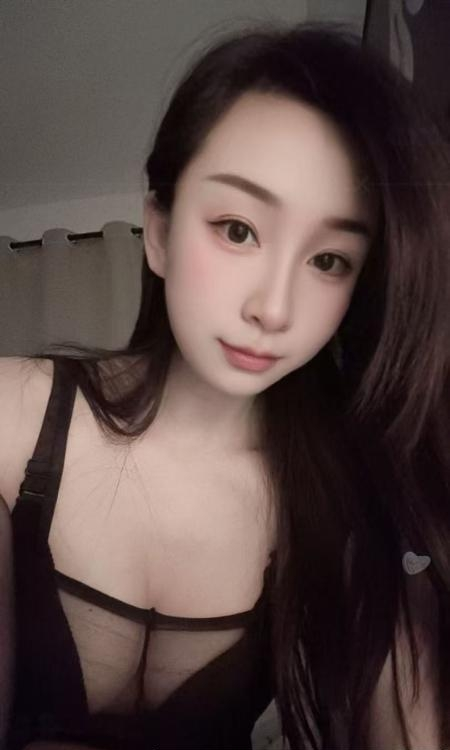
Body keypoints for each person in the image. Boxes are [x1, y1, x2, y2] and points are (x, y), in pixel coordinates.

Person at [1, 18, 449, 750]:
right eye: (238, 229)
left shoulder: (340, 509)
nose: (274, 309)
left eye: (329, 261)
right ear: (158, 229)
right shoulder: (13, 420)